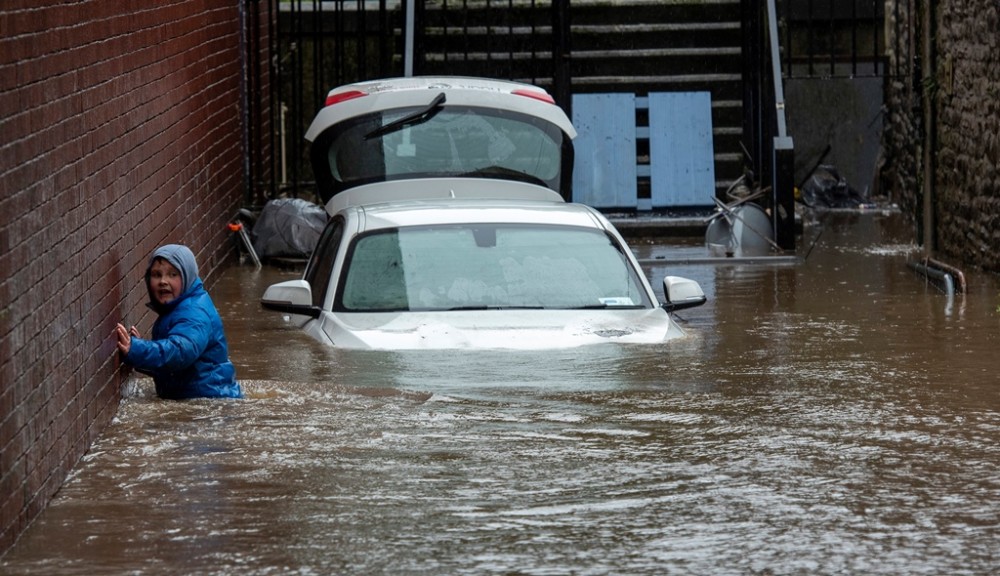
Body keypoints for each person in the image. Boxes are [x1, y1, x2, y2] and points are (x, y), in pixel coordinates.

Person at [115, 244, 242, 400]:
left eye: (173, 274)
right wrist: (138, 354)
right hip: (199, 397)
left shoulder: (194, 314)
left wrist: (137, 349)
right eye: (156, 274)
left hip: (209, 402)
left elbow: (180, 353)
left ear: (187, 276)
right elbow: (173, 367)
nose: (163, 281)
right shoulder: (177, 308)